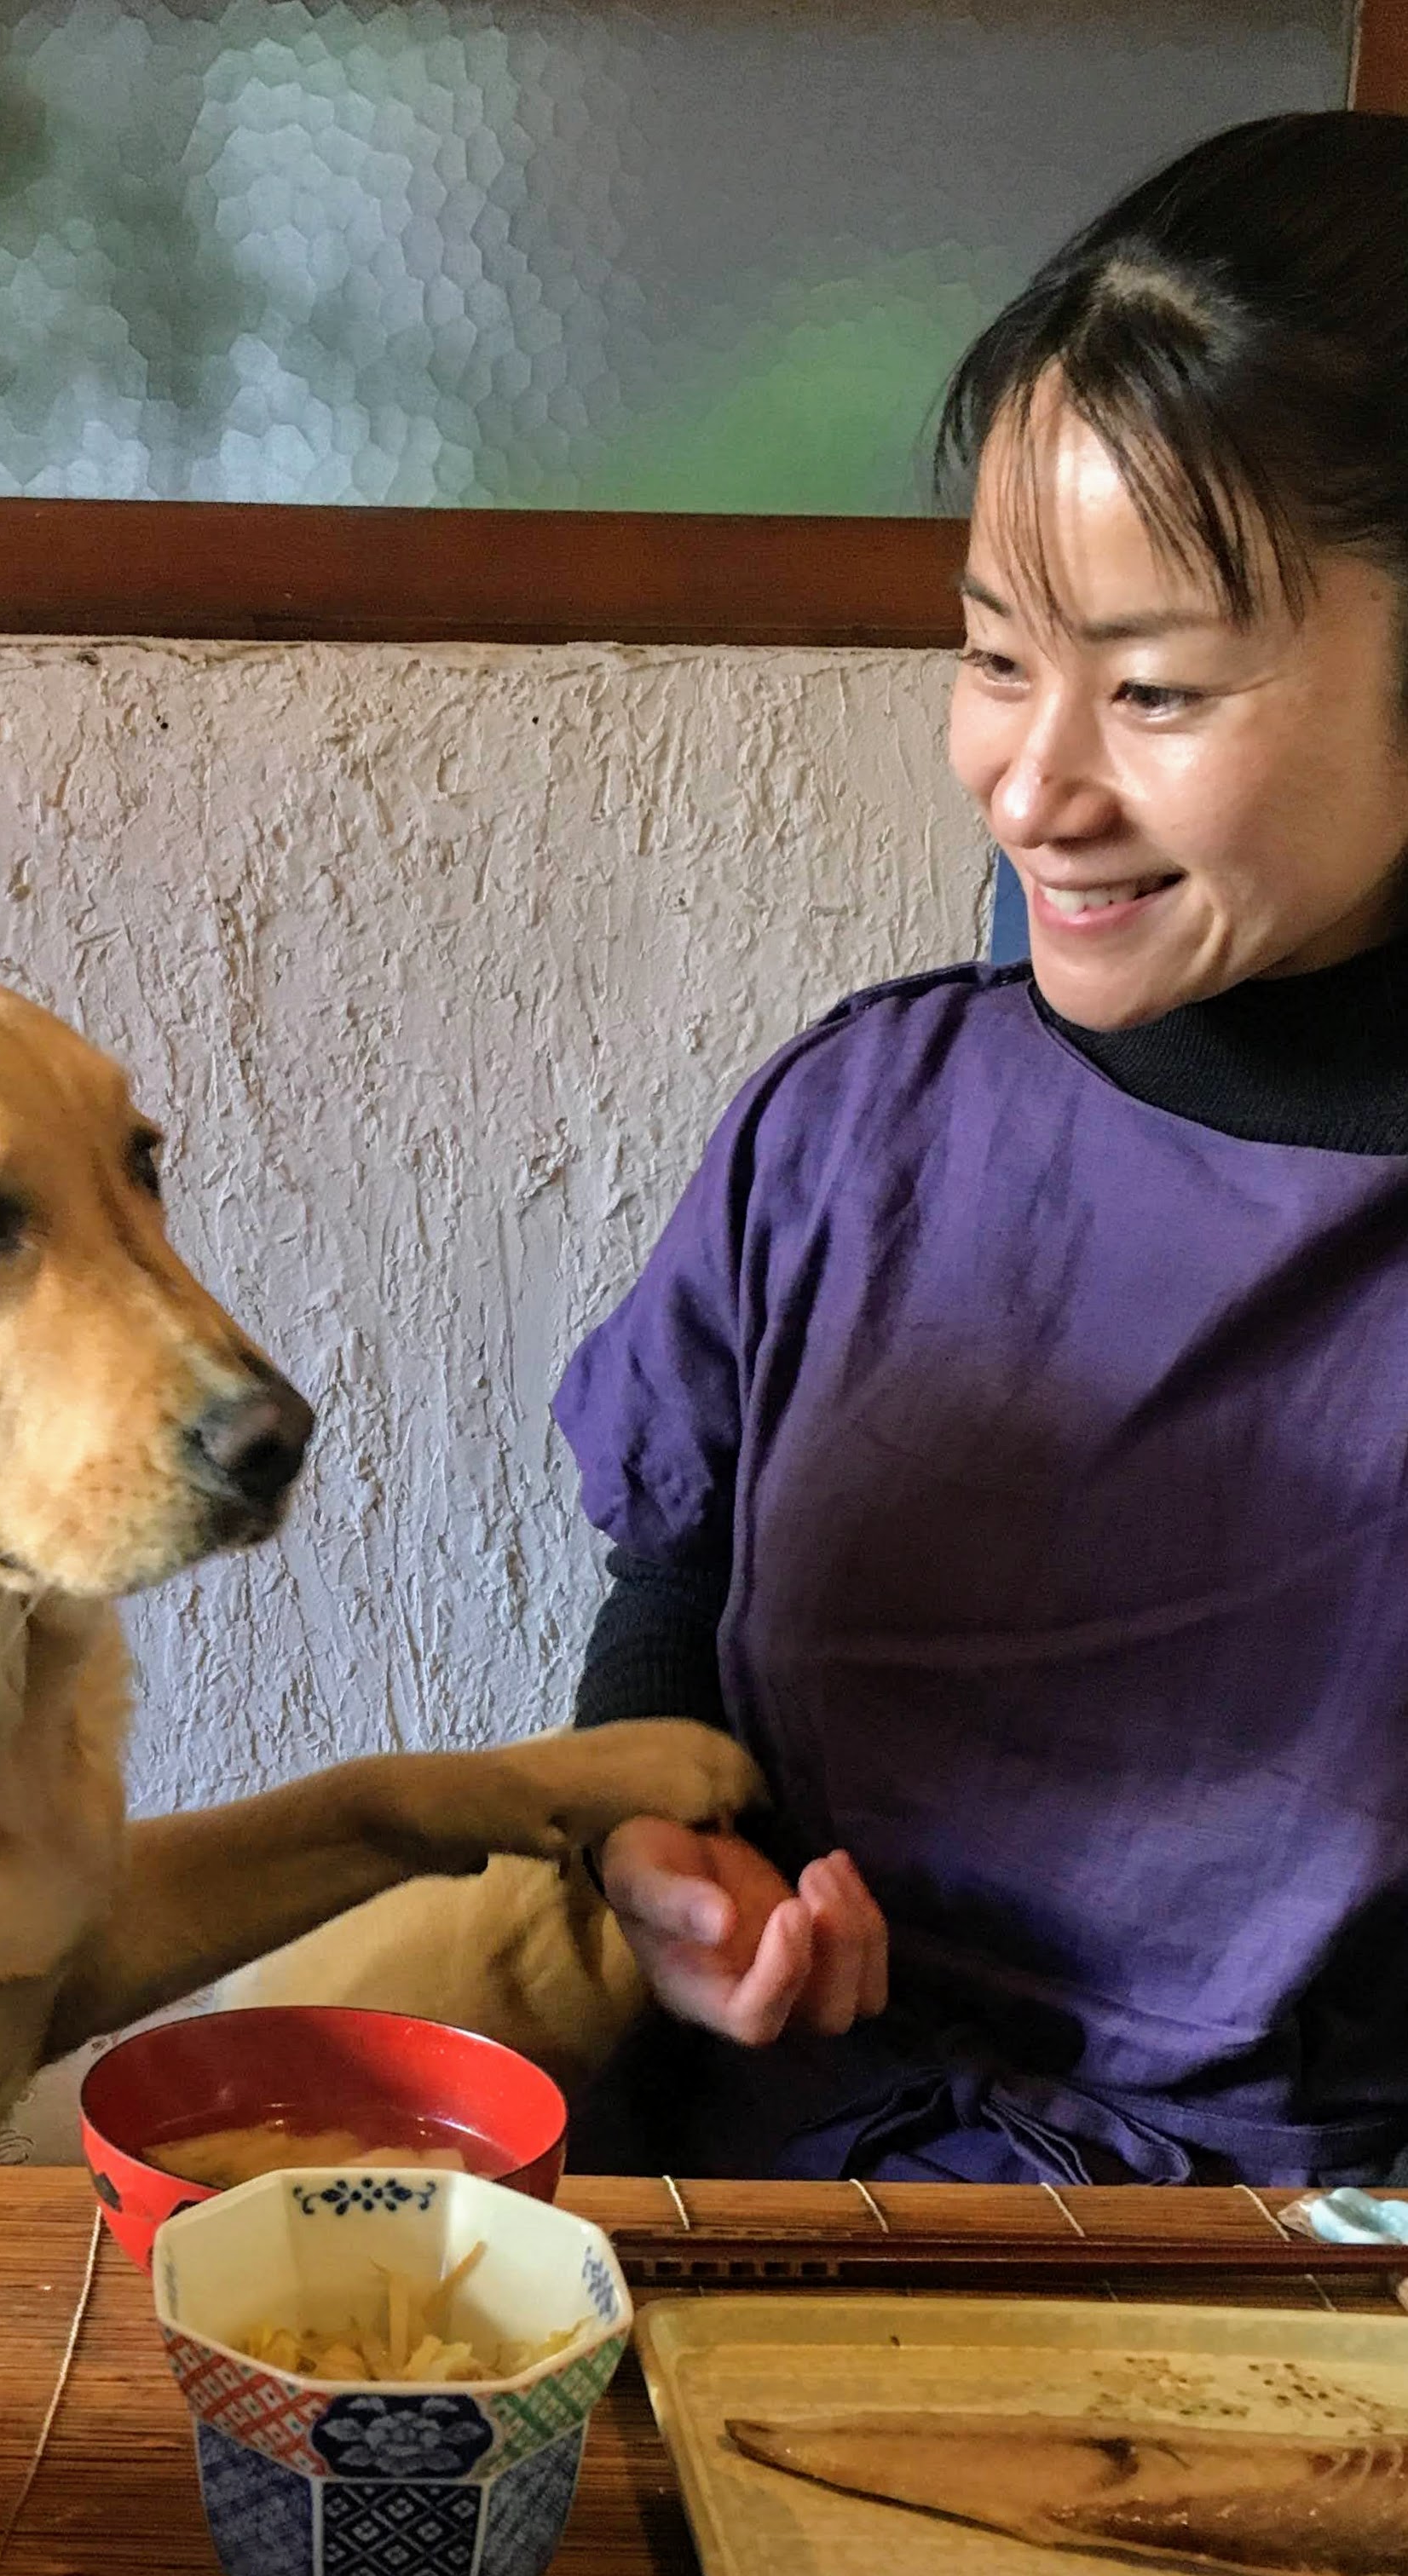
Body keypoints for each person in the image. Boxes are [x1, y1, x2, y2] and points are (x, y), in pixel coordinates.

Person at [559, 110, 1408, 2186]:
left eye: (1154, 690)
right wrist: (661, 1868)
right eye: (991, 656)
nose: (1029, 787)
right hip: (738, 2218)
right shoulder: (854, 1127)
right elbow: (666, 1580)